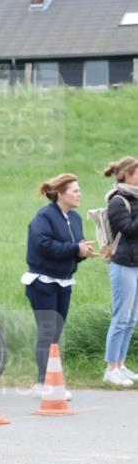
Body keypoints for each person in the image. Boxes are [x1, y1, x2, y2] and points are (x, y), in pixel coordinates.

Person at [23, 174, 97, 397]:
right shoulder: (44, 216)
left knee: (56, 334)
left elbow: (73, 248)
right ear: (60, 194)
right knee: (47, 333)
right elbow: (44, 245)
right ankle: (43, 384)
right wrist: (75, 249)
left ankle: (49, 382)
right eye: (75, 191)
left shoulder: (75, 218)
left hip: (64, 282)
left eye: (78, 190)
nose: (79, 194)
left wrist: (83, 253)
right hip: (42, 283)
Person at [101, 155, 138, 387]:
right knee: (121, 318)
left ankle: (121, 365)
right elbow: (128, 230)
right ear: (126, 175)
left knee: (131, 319)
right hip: (123, 265)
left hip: (136, 265)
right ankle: (110, 369)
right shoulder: (117, 201)